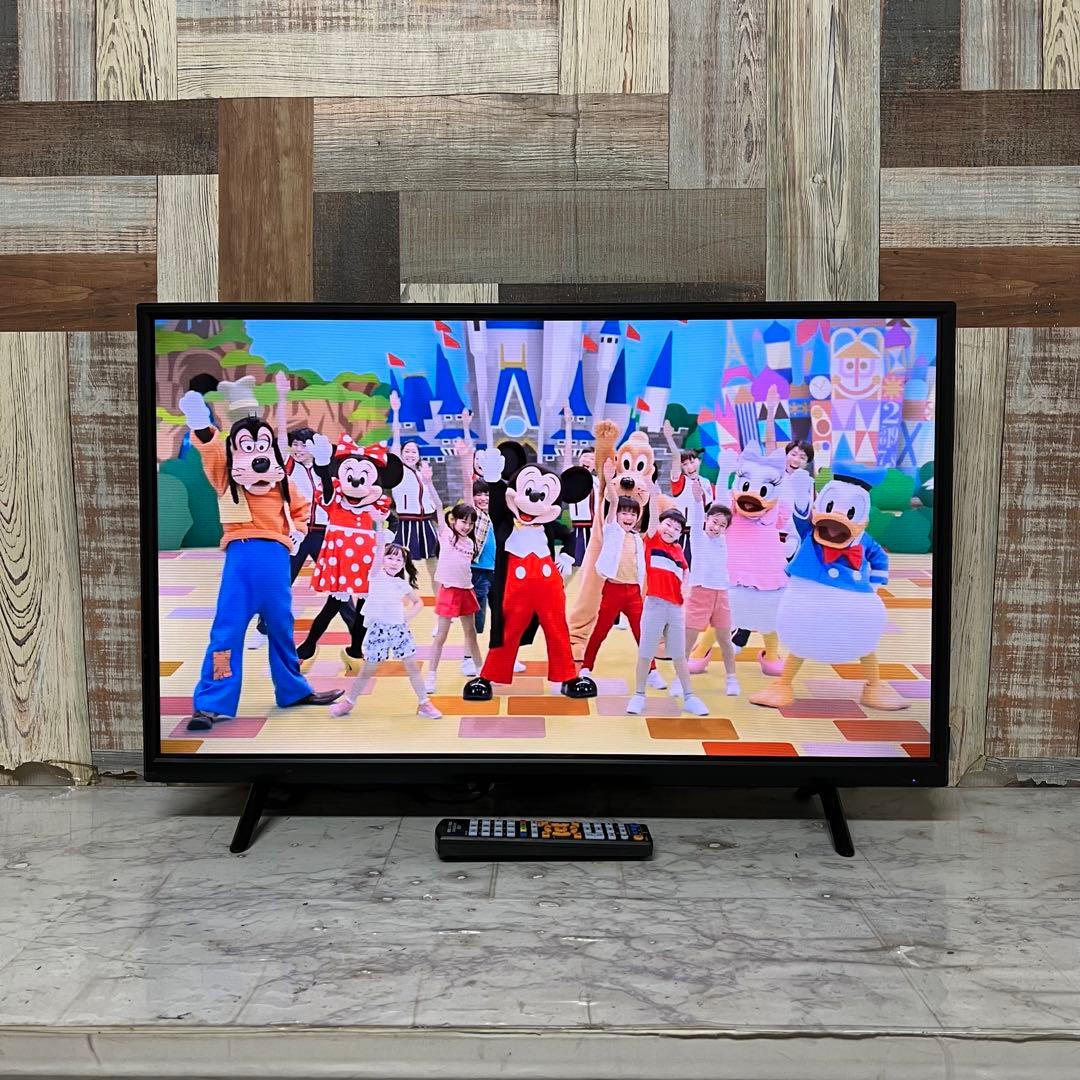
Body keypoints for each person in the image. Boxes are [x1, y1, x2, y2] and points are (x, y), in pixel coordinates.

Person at [251, 425, 355, 651]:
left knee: (338, 583)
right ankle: (262, 629)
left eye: (303, 445)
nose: (298, 449)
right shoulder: (286, 466)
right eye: (295, 444)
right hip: (295, 532)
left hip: (323, 533)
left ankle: (356, 630)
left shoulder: (325, 467)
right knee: (280, 582)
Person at [329, 526, 442, 719]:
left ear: (403, 564)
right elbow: (379, 547)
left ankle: (425, 703)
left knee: (412, 667)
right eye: (390, 557)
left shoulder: (401, 584)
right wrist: (380, 523)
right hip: (377, 630)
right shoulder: (375, 576)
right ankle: (349, 702)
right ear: (382, 559)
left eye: (399, 560)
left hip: (399, 630)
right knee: (367, 670)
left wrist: (406, 618)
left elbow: (419, 602)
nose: (394, 562)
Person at [626, 487, 709, 717]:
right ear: (659, 525)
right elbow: (653, 516)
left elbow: (685, 573)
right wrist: (653, 494)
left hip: (675, 609)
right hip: (654, 605)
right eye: (668, 524)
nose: (671, 530)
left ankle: (689, 697)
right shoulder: (652, 540)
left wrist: (685, 589)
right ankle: (639, 695)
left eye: (677, 528)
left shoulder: (679, 550)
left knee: (680, 656)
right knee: (646, 653)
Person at [579, 457, 655, 680]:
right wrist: (609, 478)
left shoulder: (637, 539)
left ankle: (652, 670)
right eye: (625, 513)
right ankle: (586, 666)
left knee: (642, 633)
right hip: (613, 590)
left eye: (632, 514)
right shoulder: (612, 530)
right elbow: (612, 501)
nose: (628, 517)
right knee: (600, 631)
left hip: (634, 593)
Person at [420, 461, 484, 694]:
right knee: (441, 636)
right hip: (448, 591)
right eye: (463, 521)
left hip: (466, 591)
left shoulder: (471, 543)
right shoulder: (446, 535)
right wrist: (428, 482)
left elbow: (470, 502)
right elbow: (438, 506)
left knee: (471, 633)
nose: (466, 526)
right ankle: (431, 676)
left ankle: (481, 672)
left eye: (470, 523)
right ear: (453, 521)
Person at [681, 479, 739, 695]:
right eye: (714, 522)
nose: (717, 527)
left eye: (722, 525)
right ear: (707, 519)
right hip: (700, 593)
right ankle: (680, 680)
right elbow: (697, 515)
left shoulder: (725, 541)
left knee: (725, 640)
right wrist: (698, 500)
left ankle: (731, 678)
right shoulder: (698, 537)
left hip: (721, 594)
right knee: (688, 641)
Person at [388, 389, 440, 592]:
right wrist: (396, 411)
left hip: (426, 523)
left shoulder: (421, 473)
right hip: (407, 523)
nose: (410, 454)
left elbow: (433, 501)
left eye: (414, 452)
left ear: (419, 455)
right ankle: (397, 601)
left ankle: (440, 604)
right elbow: (396, 440)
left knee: (434, 565)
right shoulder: (398, 471)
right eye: (407, 451)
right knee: (400, 565)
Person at [782, 439, 816, 539]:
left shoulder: (809, 483)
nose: (796, 460)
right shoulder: (773, 478)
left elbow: (808, 515)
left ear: (807, 463)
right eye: (793, 454)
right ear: (786, 455)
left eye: (802, 457)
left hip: (798, 536)